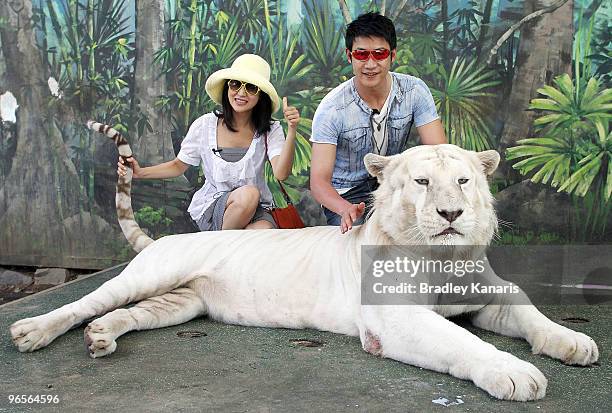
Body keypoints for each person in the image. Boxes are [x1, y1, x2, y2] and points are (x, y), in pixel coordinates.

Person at [118, 54, 300, 231]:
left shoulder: (271, 129)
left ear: (261, 95)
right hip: (215, 207)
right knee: (249, 194)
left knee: (264, 231)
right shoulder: (205, 125)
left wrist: (292, 130)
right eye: (235, 84)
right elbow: (178, 166)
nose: (241, 93)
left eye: (251, 87)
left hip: (257, 209)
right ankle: (218, 245)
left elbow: (281, 174)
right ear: (227, 87)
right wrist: (140, 173)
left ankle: (224, 252)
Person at [309, 12, 447, 233]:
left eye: (379, 54)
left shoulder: (415, 91)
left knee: (426, 236)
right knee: (362, 250)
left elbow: (439, 153)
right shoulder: (332, 108)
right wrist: (345, 209)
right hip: (348, 194)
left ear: (392, 55)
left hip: (396, 185)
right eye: (361, 55)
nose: (370, 64)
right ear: (349, 56)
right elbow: (319, 182)